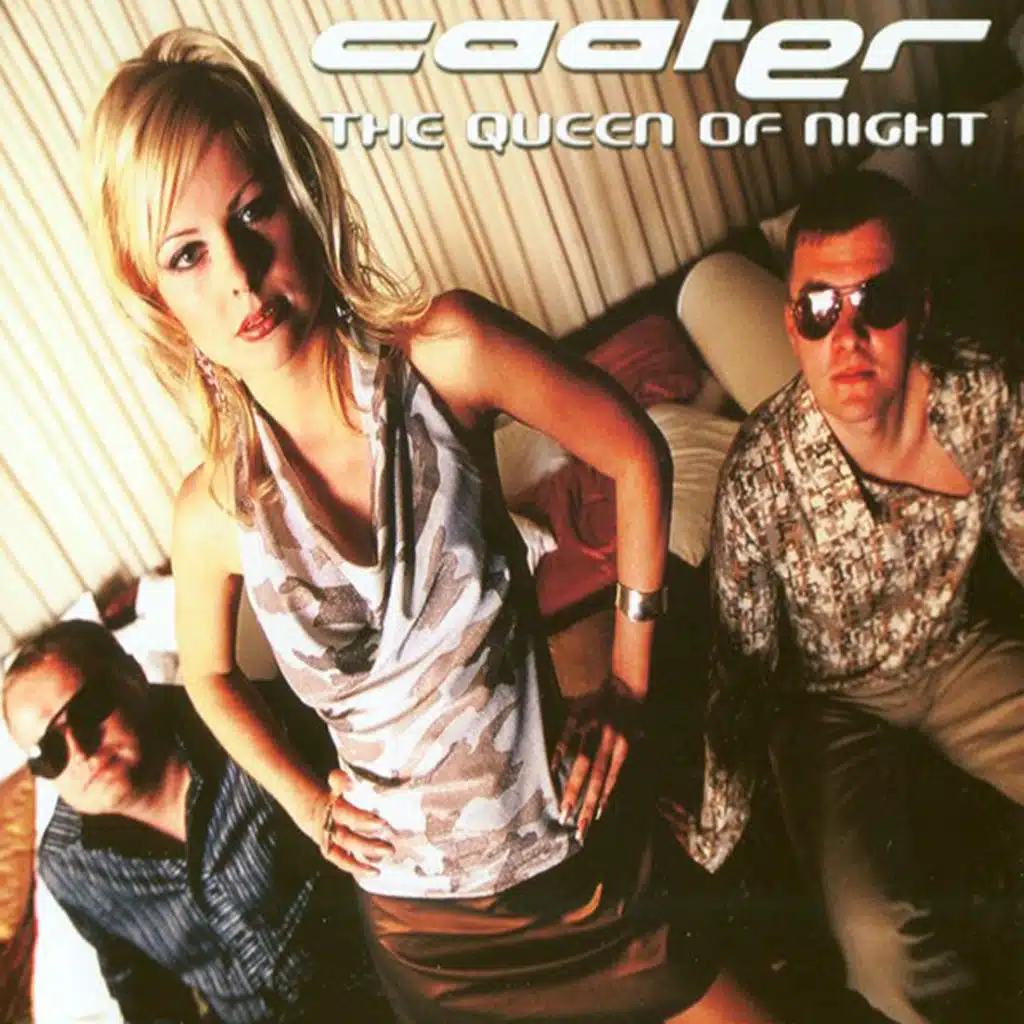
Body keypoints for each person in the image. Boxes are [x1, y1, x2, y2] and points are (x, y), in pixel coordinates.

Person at [80, 27, 773, 1024]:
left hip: (578, 861)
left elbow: (636, 451)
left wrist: (627, 680)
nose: (238, 272)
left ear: (297, 195)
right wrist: (306, 802)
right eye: (187, 254)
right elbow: (207, 677)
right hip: (431, 940)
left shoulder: (446, 354)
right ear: (156, 294)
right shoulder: (212, 512)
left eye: (252, 210)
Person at [686, 169, 1024, 1023]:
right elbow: (739, 674)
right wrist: (711, 844)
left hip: (955, 652)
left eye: (878, 301)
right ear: (789, 326)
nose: (848, 338)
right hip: (826, 702)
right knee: (876, 938)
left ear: (923, 308)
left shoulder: (983, 396)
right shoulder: (758, 476)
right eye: (817, 309)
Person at [2, 619, 379, 1023]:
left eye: (87, 710)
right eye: (49, 752)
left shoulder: (260, 728)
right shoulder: (69, 867)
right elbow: (146, 996)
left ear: (133, 676)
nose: (79, 752)